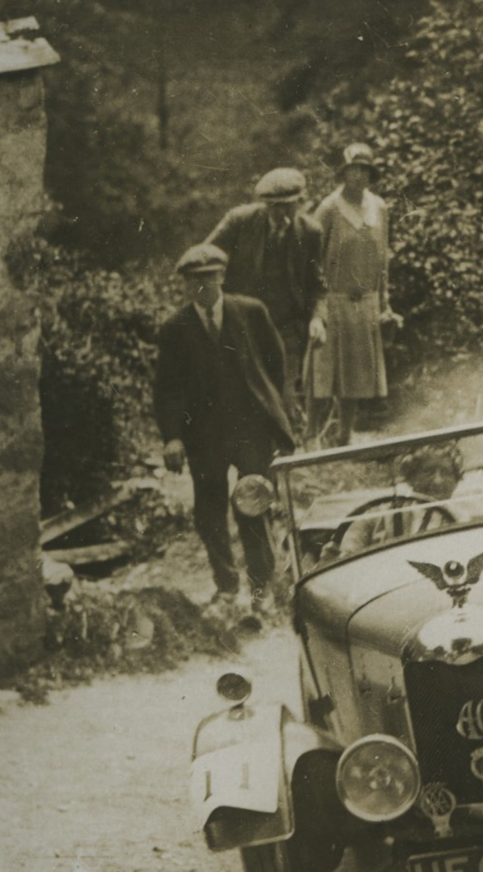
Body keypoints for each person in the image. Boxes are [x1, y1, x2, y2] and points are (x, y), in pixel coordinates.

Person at [152, 244, 296, 609]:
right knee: (210, 511)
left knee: (253, 504)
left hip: (251, 429)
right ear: (186, 285)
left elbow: (275, 364)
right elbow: (167, 388)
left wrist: (275, 411)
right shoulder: (175, 329)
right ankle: (227, 587)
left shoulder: (250, 312)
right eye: (195, 281)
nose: (204, 286)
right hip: (205, 435)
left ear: (222, 277)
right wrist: (172, 437)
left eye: (210, 278)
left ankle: (262, 590)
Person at [206, 167, 326, 418]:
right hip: (243, 323)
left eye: (288, 206)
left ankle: (284, 452)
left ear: (301, 202)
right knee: (245, 393)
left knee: (284, 395)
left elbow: (317, 286)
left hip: (288, 326)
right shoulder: (240, 221)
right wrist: (215, 301)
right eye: (274, 206)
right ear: (263, 204)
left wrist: (317, 319)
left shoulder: (311, 232)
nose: (281, 213)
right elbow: (204, 258)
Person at [309, 143, 401, 446]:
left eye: (365, 170)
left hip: (366, 300)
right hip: (333, 299)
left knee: (355, 376)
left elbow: (382, 259)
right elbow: (311, 257)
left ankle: (344, 436)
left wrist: (385, 303)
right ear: (344, 172)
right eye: (353, 170)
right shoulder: (329, 208)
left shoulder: (379, 208)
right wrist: (316, 305)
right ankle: (310, 437)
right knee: (324, 375)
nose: (359, 176)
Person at [338, 441, 463, 554]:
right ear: (411, 477)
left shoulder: (461, 521)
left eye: (446, 473)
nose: (437, 481)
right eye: (428, 472)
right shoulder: (378, 514)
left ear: (456, 480)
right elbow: (347, 554)